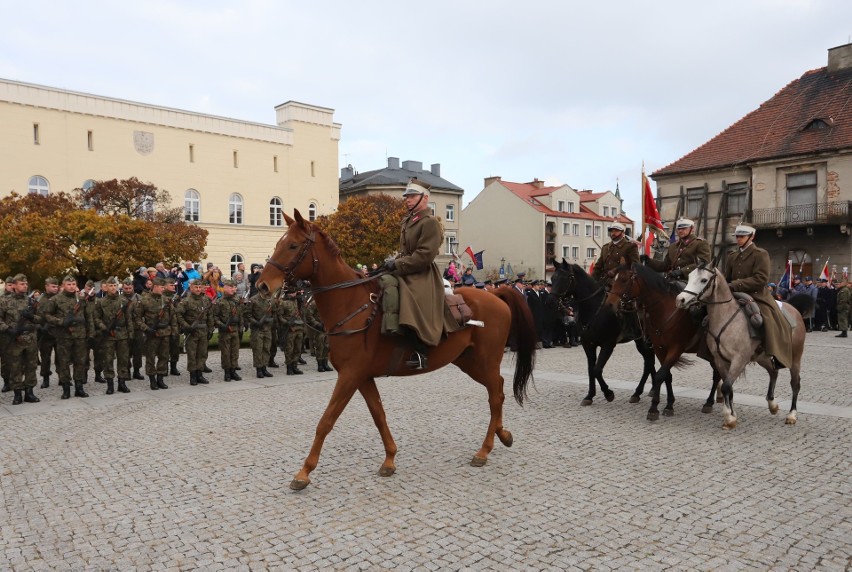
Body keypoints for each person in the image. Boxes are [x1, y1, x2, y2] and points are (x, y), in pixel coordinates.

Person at [382, 178, 460, 369]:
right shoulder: (409, 220)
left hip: (421, 272)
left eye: (412, 196)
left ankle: (420, 351)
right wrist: (391, 262)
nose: (407, 200)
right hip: (407, 267)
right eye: (407, 196)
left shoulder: (430, 222)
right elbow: (406, 250)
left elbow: (424, 255)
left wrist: (398, 264)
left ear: (424, 199)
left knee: (411, 298)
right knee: (381, 281)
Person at [724, 224, 793, 369]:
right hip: (734, 293)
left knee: (767, 318)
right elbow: (727, 277)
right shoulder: (732, 256)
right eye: (737, 236)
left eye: (742, 236)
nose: (739, 239)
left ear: (752, 237)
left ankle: (774, 351)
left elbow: (761, 278)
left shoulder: (760, 254)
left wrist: (735, 284)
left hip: (757, 295)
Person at [40, 275, 91, 399]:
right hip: (64, 336)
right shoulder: (56, 299)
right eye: (68, 284)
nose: (71, 286)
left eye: (73, 284)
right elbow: (46, 315)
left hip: (80, 335)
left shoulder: (81, 299)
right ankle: (66, 388)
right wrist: (60, 322)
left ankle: (79, 387)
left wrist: (90, 332)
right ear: (63, 285)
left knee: (80, 361)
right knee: (64, 362)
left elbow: (88, 316)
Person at [0, 274, 40, 405]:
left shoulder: (32, 302)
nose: (25, 286)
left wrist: (32, 317)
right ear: (15, 285)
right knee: (15, 366)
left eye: (26, 284)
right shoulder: (4, 301)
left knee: (31, 366)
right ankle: (17, 393)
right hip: (14, 339)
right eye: (22, 284)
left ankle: (29, 392)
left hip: (30, 338)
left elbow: (41, 318)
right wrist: (7, 329)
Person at [94, 276, 132, 394]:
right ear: (106, 287)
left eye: (115, 285)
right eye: (110, 286)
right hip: (108, 335)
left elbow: (129, 319)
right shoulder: (101, 302)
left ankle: (122, 383)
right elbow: (96, 318)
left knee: (123, 359)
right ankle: (110, 384)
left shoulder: (123, 301)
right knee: (108, 359)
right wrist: (104, 328)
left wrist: (131, 333)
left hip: (122, 333)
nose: (113, 288)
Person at [641, 218, 712, 280]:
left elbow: (704, 263)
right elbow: (665, 265)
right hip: (674, 280)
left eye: (684, 228)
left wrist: (682, 271)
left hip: (691, 282)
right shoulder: (673, 246)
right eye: (678, 229)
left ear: (692, 229)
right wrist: (648, 261)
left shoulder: (700, 243)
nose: (680, 231)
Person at [136, 277, 173, 390]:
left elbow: (172, 317)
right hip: (152, 333)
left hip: (165, 332)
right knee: (151, 357)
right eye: (161, 287)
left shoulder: (166, 300)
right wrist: (146, 329)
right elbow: (137, 318)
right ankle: (152, 380)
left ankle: (160, 379)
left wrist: (173, 330)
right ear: (155, 287)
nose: (163, 289)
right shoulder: (144, 300)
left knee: (164, 357)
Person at [176, 278, 215, 385]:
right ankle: (193, 376)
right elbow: (178, 315)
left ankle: (200, 374)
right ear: (191, 288)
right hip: (192, 332)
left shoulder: (206, 300)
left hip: (203, 330)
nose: (198, 289)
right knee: (192, 354)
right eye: (196, 287)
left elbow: (210, 315)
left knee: (202, 354)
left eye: (199, 287)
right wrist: (186, 326)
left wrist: (211, 329)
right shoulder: (186, 301)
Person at [592, 222, 639, 288]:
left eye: (616, 231)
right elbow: (598, 266)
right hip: (604, 282)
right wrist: (591, 280)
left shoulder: (630, 246)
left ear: (623, 233)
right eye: (612, 231)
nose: (613, 233)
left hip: (621, 284)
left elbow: (635, 266)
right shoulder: (605, 247)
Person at [214, 279, 243, 381]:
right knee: (226, 352)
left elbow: (240, 315)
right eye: (230, 287)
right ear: (225, 288)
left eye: (234, 287)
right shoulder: (220, 301)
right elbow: (215, 317)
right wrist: (223, 326)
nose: (233, 289)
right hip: (225, 330)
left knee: (235, 351)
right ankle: (227, 372)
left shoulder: (237, 300)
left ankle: (233, 371)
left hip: (235, 329)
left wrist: (241, 327)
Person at [247, 286, 276, 378]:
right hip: (257, 329)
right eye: (265, 290)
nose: (266, 292)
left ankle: (264, 367)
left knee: (266, 348)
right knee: (258, 349)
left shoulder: (271, 300)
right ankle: (259, 369)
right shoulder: (253, 300)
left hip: (267, 328)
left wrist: (271, 320)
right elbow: (247, 314)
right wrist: (255, 322)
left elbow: (274, 312)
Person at [36, 277, 60, 388]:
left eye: (56, 286)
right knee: (45, 358)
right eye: (53, 286)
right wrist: (40, 327)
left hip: (59, 333)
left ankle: (63, 378)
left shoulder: (60, 298)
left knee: (61, 358)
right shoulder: (40, 300)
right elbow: (36, 317)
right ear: (46, 286)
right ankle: (45, 379)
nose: (55, 288)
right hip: (46, 334)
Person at [279, 288, 305, 375]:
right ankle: (289, 367)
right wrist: (286, 323)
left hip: (299, 328)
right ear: (289, 294)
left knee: (298, 348)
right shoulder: (283, 303)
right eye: (293, 293)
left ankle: (295, 366)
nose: (295, 294)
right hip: (290, 329)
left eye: (295, 292)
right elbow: (280, 316)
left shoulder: (297, 302)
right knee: (289, 349)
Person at [303, 295, 333, 372]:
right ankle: (320, 364)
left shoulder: (328, 303)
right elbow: (308, 314)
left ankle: (325, 363)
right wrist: (316, 324)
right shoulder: (314, 303)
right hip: (319, 327)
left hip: (327, 327)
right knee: (320, 346)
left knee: (327, 346)